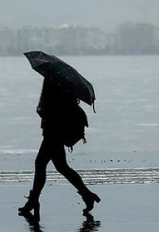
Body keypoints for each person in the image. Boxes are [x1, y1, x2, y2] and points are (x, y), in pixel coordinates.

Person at [19, 79, 100, 219]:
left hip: (54, 133)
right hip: (55, 132)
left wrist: (43, 112)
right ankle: (87, 195)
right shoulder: (63, 86)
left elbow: (55, 113)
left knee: (41, 164)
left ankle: (33, 201)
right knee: (61, 167)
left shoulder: (54, 86)